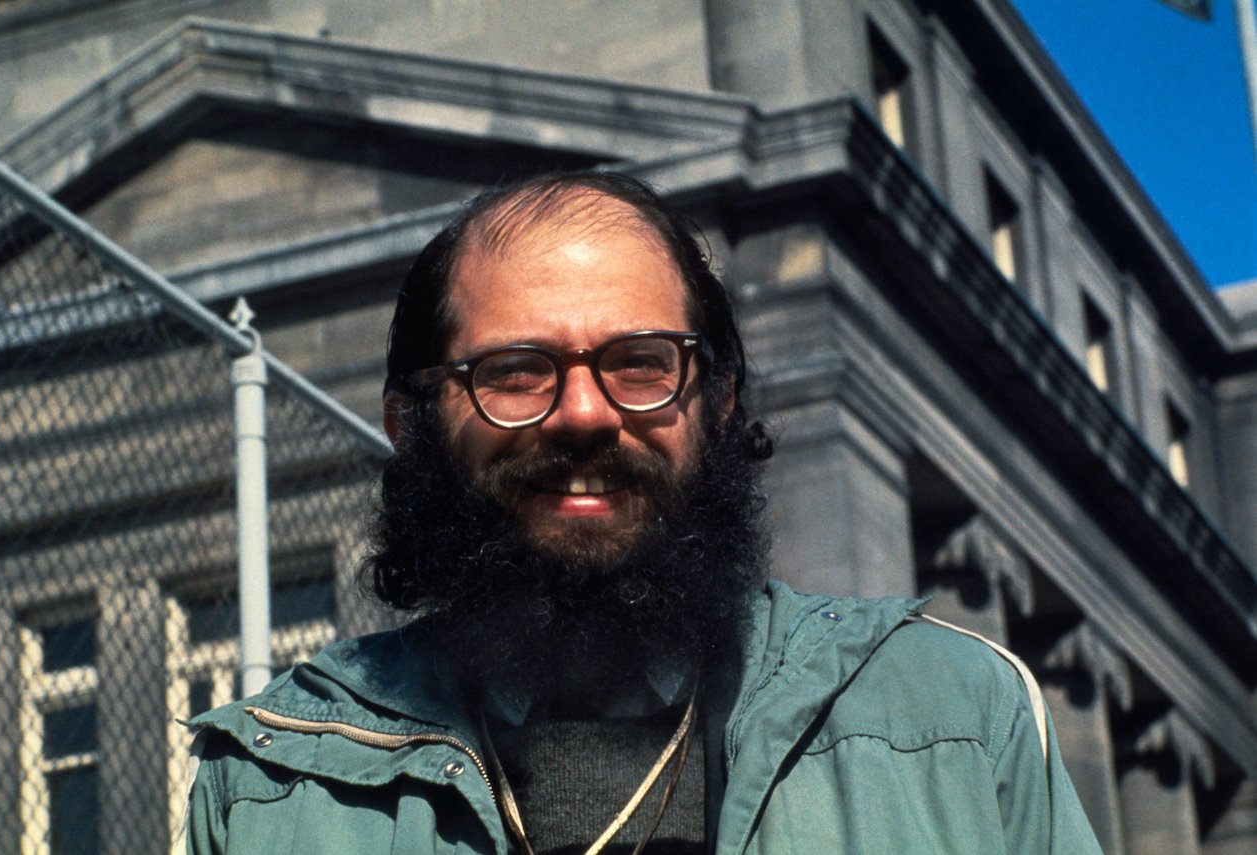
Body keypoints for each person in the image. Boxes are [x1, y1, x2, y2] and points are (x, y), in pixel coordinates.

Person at [182, 171, 1103, 854]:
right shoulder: (266, 784)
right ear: (412, 423)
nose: (586, 412)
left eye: (642, 363)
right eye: (514, 371)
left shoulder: (960, 715)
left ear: (720, 402)